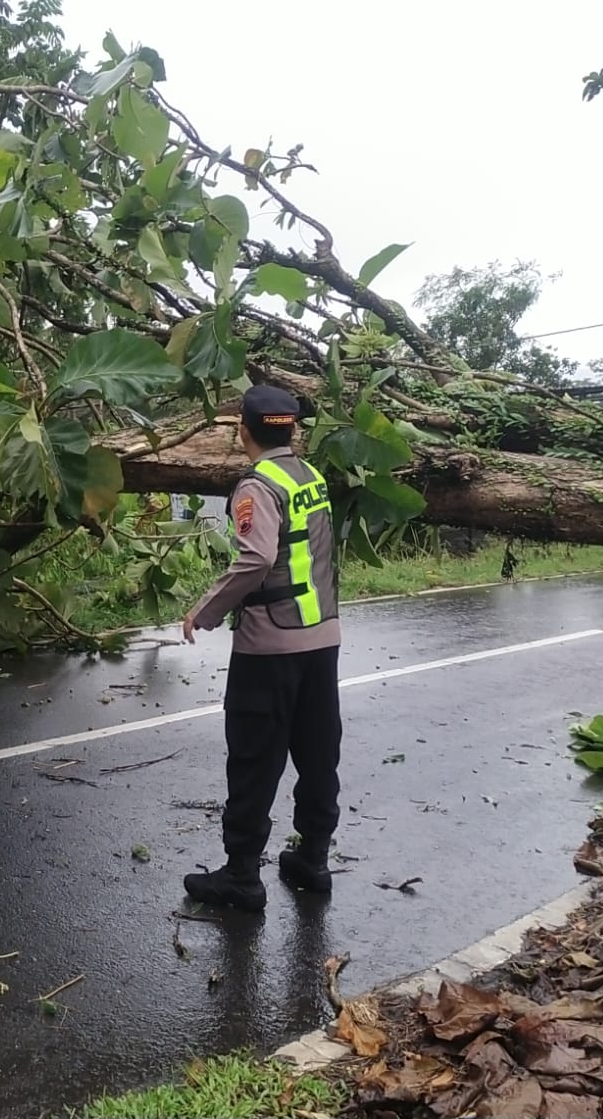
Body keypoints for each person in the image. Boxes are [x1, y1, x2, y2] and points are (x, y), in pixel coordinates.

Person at [180, 383, 341, 912]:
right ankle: (313, 858)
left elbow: (256, 559)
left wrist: (204, 611)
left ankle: (242, 876)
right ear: (292, 430)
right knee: (318, 753)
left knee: (253, 759)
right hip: (322, 638)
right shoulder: (311, 476)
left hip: (269, 645)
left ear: (241, 431)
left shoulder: (257, 486)